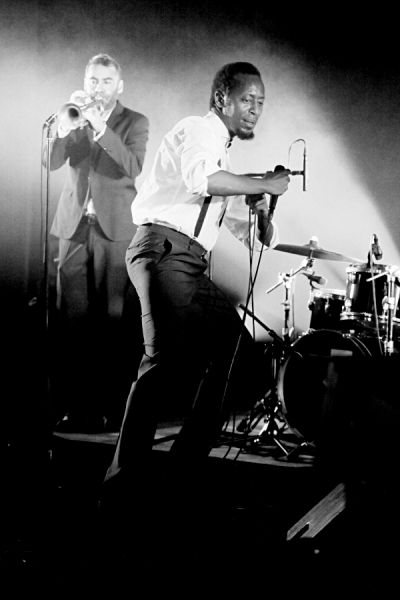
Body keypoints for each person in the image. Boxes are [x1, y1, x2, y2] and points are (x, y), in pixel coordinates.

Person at [100, 62, 290, 552]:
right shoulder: (198, 131)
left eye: (261, 103)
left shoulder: (221, 152)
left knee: (237, 355)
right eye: (247, 100)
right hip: (163, 251)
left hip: (186, 261)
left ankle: (180, 475)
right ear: (223, 98)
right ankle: (119, 491)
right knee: (160, 365)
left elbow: (246, 231)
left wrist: (262, 211)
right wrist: (261, 182)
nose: (255, 110)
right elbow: (204, 180)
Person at [48, 53, 149, 432]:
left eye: (106, 81)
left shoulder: (134, 121)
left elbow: (133, 166)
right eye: (93, 80)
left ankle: (110, 408)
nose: (98, 88)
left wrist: (101, 126)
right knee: (71, 321)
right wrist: (64, 129)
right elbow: (50, 163)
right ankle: (74, 407)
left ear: (119, 86)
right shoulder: (74, 117)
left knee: (111, 322)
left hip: (115, 230)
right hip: (74, 228)